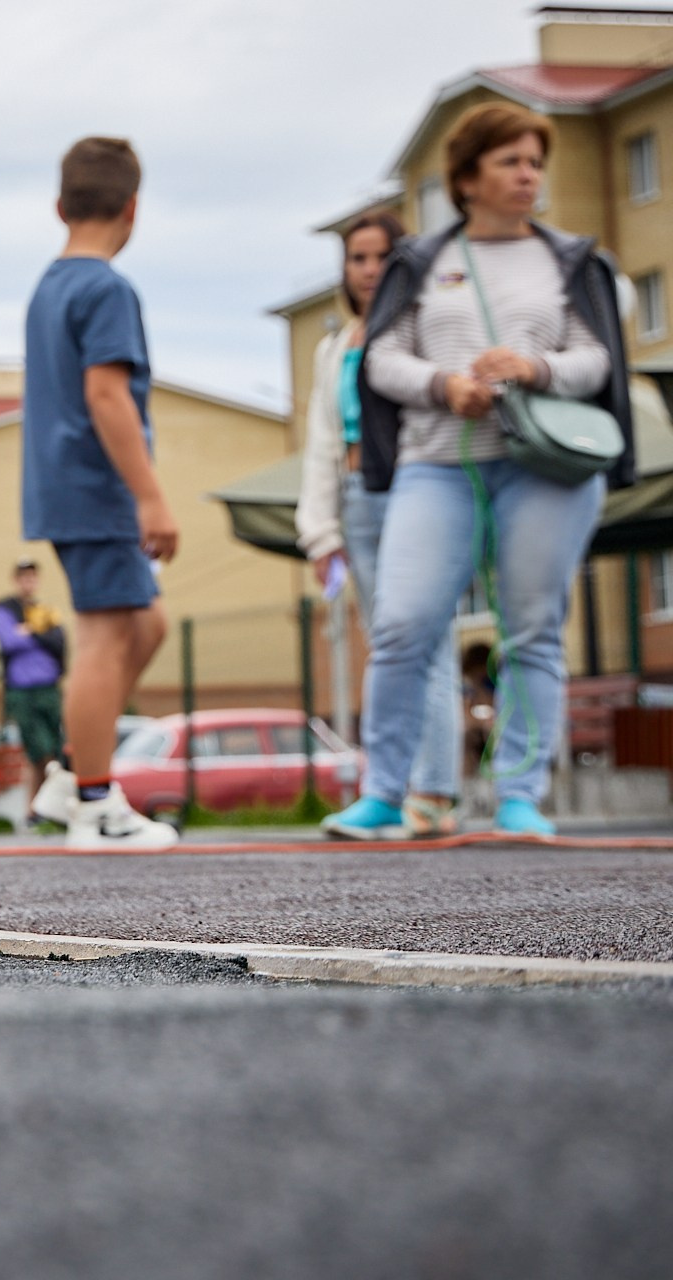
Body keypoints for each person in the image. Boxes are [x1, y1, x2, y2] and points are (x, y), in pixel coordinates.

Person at [334, 102, 634, 839]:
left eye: (535, 161)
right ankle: (382, 794)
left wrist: (535, 367)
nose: (528, 174)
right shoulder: (422, 262)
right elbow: (381, 358)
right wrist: (446, 385)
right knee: (402, 623)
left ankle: (518, 796)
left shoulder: (571, 260)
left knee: (532, 627)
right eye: (511, 161)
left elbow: (600, 358)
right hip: (436, 463)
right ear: (467, 178)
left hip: (547, 465)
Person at [20, 136, 178, 850]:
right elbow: (108, 395)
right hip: (97, 486)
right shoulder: (107, 288)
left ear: (61, 205)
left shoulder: (51, 286)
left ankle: (69, 774)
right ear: (133, 208)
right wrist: (150, 496)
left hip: (63, 485)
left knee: (146, 626)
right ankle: (93, 802)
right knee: (108, 637)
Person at [294, 212, 465, 839]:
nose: (369, 269)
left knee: (428, 639)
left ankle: (435, 792)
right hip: (358, 500)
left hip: (421, 491)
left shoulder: (427, 330)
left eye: (380, 256)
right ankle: (386, 793)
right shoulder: (333, 346)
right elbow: (319, 440)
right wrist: (320, 530)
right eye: (357, 258)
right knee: (387, 645)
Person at [0, 556, 66, 824]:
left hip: (48, 687)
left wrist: (29, 632)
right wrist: (38, 632)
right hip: (22, 690)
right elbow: (9, 641)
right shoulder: (5, 608)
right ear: (16, 580)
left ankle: (38, 808)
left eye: (33, 576)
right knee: (38, 749)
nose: (28, 581)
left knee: (51, 750)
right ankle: (38, 806)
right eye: (24, 576)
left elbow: (58, 640)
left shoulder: (44, 609)